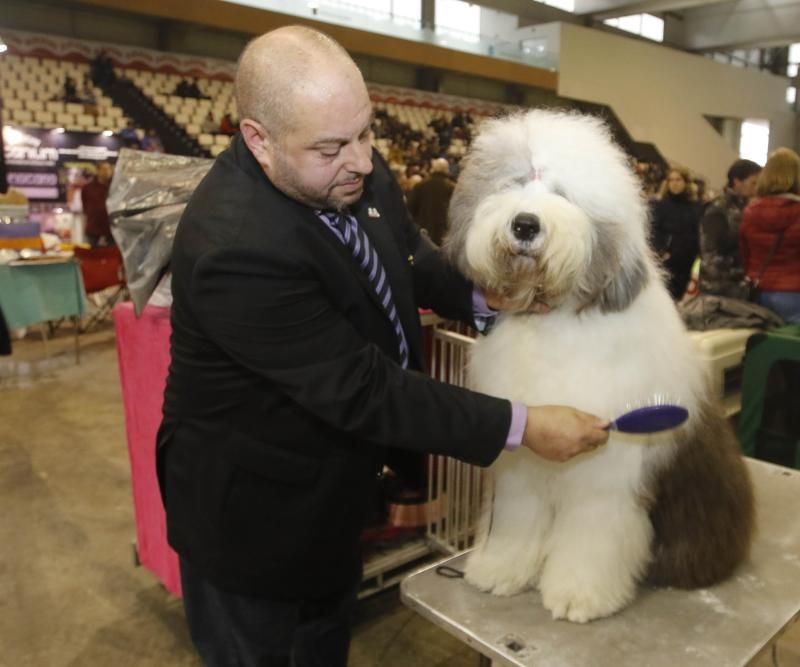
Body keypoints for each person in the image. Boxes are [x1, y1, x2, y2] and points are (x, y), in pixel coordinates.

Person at [157, 26, 609, 667]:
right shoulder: (236, 247)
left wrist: (485, 298)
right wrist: (522, 425)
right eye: (333, 147)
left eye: (366, 133)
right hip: (254, 518)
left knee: (323, 641)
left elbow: (406, 256)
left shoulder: (344, 169)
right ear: (258, 140)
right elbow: (362, 388)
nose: (363, 161)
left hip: (331, 495)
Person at [740, 148, 800, 323]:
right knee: (795, 347)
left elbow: (745, 254)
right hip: (799, 292)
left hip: (760, 290)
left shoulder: (749, 211)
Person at [698, 158, 761, 298]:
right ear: (737, 181)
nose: (756, 188)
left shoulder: (747, 207)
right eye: (753, 183)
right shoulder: (718, 208)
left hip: (741, 284)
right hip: (719, 287)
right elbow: (711, 251)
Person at [651, 166, 702, 300]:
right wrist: (662, 250)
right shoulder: (660, 205)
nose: (674, 183)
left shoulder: (695, 207)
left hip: (687, 261)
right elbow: (655, 230)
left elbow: (696, 233)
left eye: (678, 179)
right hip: (667, 260)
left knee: (680, 298)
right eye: (671, 180)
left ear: (686, 183)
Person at [406, 157, 454, 245]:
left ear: (432, 169)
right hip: (444, 234)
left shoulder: (420, 185)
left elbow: (410, 209)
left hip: (424, 232)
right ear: (447, 170)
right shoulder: (452, 188)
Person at [80, 162, 114, 247]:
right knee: (92, 257)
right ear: (98, 171)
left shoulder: (116, 187)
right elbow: (85, 207)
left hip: (112, 230)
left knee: (112, 257)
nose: (106, 172)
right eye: (103, 169)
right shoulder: (87, 188)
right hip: (93, 229)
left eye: (109, 169)